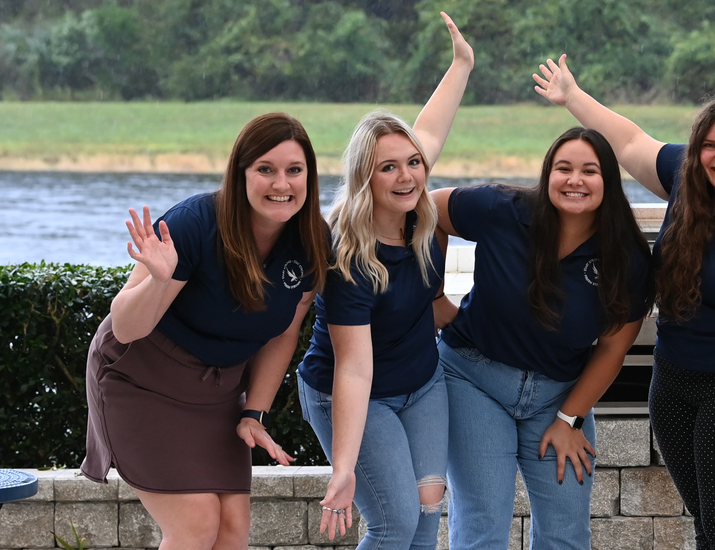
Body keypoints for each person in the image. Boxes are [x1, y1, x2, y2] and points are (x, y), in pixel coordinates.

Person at [534, 55, 715, 549]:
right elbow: (628, 142)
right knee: (710, 525)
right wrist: (571, 96)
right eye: (709, 145)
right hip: (676, 376)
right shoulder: (687, 179)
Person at [82, 111, 329, 550]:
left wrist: (254, 412)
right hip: (141, 378)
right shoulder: (194, 223)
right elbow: (125, 325)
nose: (281, 184)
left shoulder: (312, 239)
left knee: (232, 528)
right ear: (240, 174)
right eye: (265, 170)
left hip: (216, 393)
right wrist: (159, 280)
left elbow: (282, 333)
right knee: (195, 525)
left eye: (295, 170)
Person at [295, 12, 471, 550]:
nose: (407, 175)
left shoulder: (417, 210)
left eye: (413, 163)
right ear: (364, 177)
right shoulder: (346, 252)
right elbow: (353, 368)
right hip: (351, 394)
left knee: (423, 519)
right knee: (393, 526)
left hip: (421, 387)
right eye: (387, 167)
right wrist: (343, 468)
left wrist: (462, 64)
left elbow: (431, 128)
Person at [430, 126, 653, 549]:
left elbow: (612, 348)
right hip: (473, 379)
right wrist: (434, 295)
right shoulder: (502, 208)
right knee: (483, 526)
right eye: (563, 168)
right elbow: (429, 210)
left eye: (589, 170)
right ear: (547, 173)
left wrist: (570, 419)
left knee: (566, 533)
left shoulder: (627, 257)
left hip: (559, 397)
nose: (575, 180)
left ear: (608, 180)